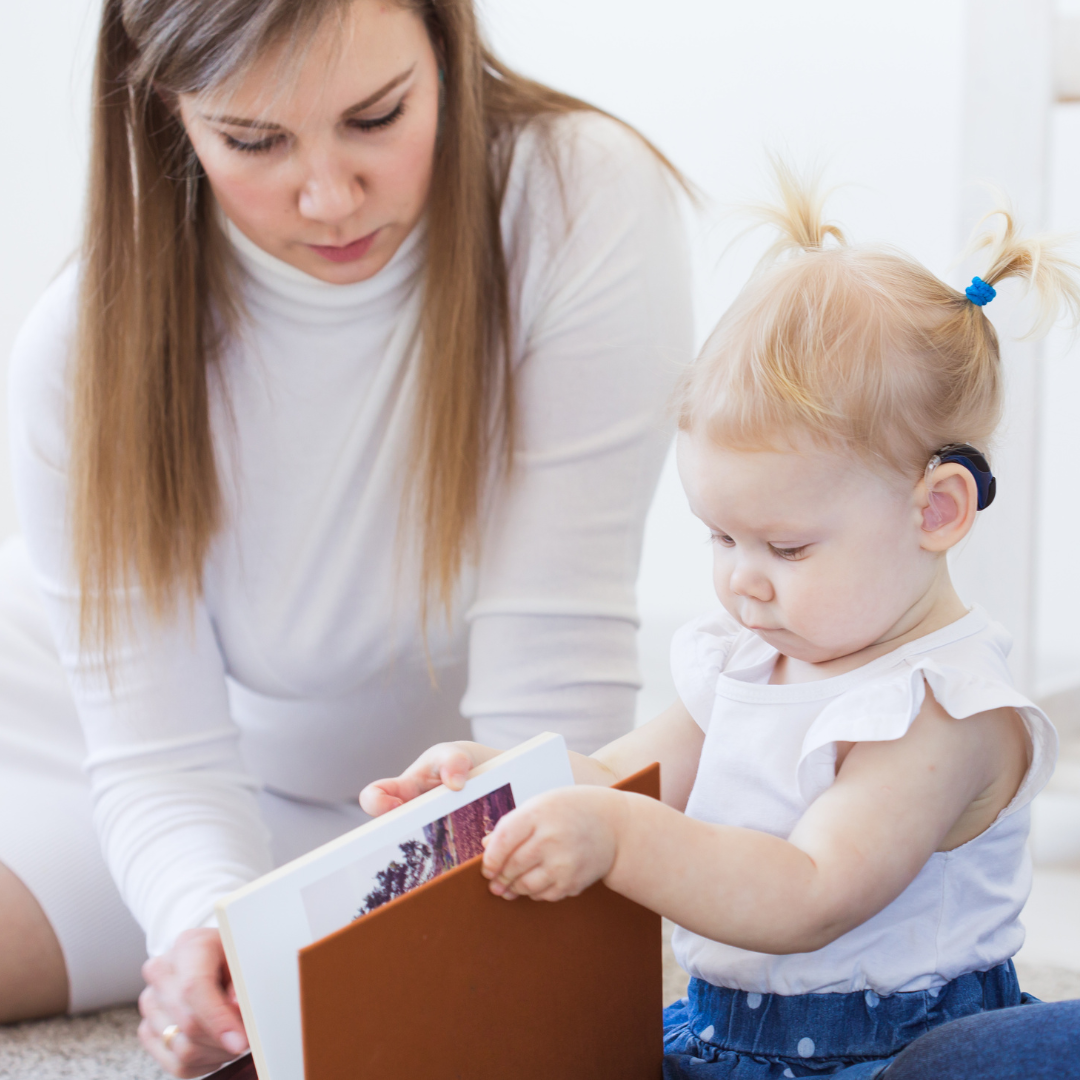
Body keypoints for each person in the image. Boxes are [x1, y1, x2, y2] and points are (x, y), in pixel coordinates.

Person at [0, 0, 691, 1073]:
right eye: (252, 141)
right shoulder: (77, 347)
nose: (327, 198)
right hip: (101, 753)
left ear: (444, 45)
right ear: (162, 105)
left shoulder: (577, 201)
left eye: (376, 117)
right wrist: (205, 925)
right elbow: (158, 758)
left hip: (426, 794)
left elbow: (546, 704)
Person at [363, 166, 1080, 1078]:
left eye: (786, 549)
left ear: (936, 512)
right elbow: (622, 780)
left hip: (896, 1049)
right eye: (720, 536)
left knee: (992, 1062)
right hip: (725, 1035)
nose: (744, 581)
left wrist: (617, 840)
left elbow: (810, 893)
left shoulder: (942, 708)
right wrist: (496, 786)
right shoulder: (745, 659)